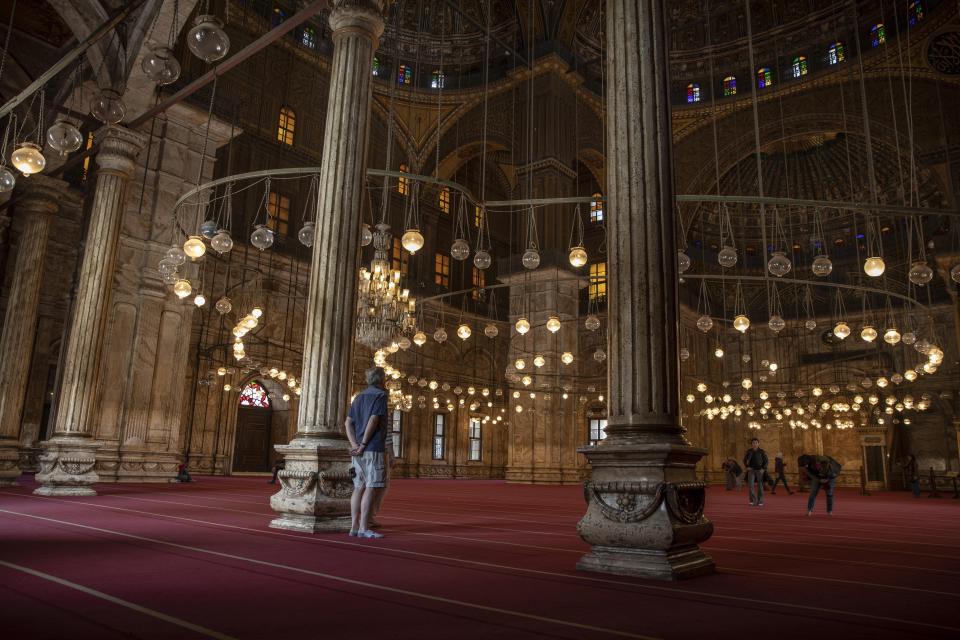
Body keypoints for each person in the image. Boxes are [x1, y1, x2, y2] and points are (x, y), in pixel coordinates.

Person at [344, 366, 391, 539]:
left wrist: (354, 444)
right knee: (371, 487)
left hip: (358, 451)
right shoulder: (380, 395)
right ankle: (364, 528)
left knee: (358, 487)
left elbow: (348, 423)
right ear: (382, 379)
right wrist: (363, 444)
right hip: (373, 449)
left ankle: (354, 527)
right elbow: (374, 419)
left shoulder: (359, 397)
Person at [743, 438, 768, 507]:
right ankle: (752, 500)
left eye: (756, 443)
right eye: (753, 443)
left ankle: (760, 501)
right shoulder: (749, 451)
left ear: (758, 443)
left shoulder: (762, 451)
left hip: (759, 470)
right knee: (751, 486)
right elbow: (744, 460)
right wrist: (747, 466)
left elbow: (766, 461)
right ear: (751, 444)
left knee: (760, 486)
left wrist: (763, 469)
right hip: (751, 470)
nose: (754, 444)